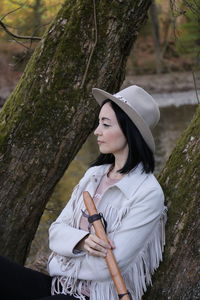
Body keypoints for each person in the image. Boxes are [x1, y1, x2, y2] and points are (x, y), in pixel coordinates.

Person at [0, 85, 167, 300]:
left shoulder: (147, 193)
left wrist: (61, 259)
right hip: (59, 286)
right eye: (99, 123)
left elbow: (108, 266)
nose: (97, 131)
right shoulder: (94, 175)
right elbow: (56, 231)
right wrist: (81, 241)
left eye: (105, 124)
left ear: (129, 130)